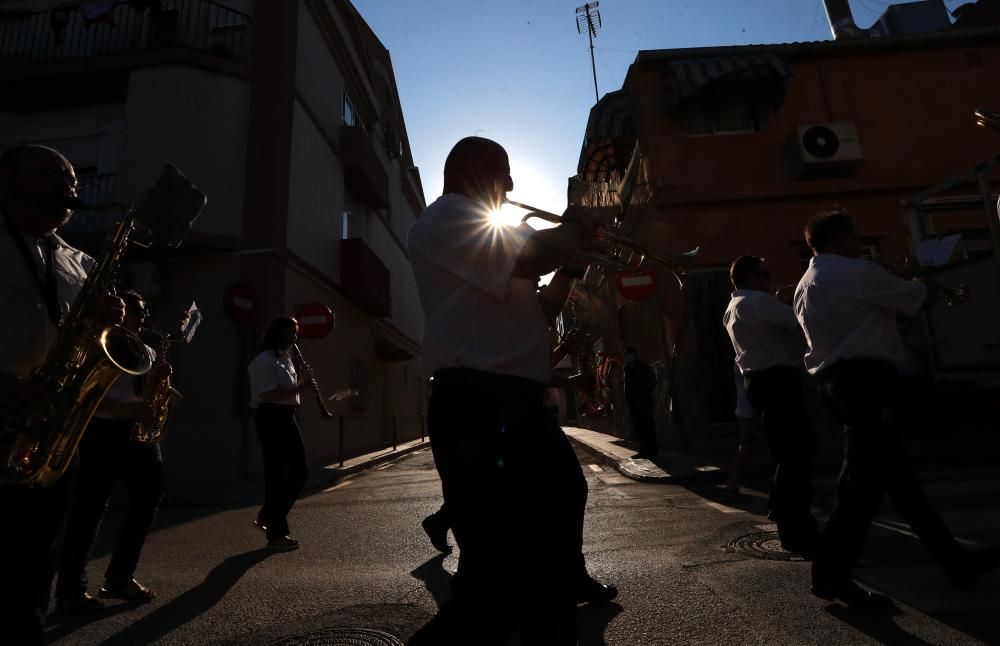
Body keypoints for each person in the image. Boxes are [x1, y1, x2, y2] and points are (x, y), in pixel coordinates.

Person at [406, 136, 611, 645]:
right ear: (474, 170)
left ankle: (559, 604)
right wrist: (575, 225)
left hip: (517, 405)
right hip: (478, 403)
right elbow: (535, 254)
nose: (514, 185)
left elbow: (541, 311)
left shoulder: (496, 240)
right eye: (505, 172)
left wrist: (571, 263)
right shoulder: (447, 219)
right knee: (494, 584)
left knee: (555, 528)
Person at [795, 210, 998, 610]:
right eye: (855, 237)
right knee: (858, 491)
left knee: (901, 486)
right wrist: (922, 276)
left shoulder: (808, 281)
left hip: (839, 385)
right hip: (865, 385)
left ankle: (957, 563)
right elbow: (917, 300)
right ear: (838, 239)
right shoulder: (854, 272)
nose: (860, 245)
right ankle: (830, 575)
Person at [0, 144, 125, 645]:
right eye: (51, 176)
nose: (69, 188)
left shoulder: (80, 261)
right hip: (6, 408)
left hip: (51, 429)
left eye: (72, 178)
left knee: (34, 564)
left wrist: (105, 324)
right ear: (9, 181)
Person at [54, 290, 167, 613]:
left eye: (144, 309)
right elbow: (82, 393)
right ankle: (70, 591)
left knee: (149, 496)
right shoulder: (94, 343)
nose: (141, 314)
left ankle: (119, 577)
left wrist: (159, 382)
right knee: (89, 507)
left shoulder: (144, 349)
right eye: (135, 309)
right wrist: (125, 411)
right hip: (98, 430)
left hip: (134, 433)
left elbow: (143, 393)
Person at [723, 255, 818, 555]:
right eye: (765, 273)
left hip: (760, 383)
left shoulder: (733, 307)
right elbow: (801, 322)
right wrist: (790, 301)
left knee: (786, 452)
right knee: (797, 453)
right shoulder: (759, 303)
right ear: (753, 277)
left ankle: (782, 511)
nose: (768, 279)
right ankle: (795, 526)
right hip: (779, 381)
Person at [247, 316, 313, 551]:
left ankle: (268, 516)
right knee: (279, 473)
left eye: (296, 333)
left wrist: (302, 382)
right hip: (270, 417)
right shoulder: (263, 360)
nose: (295, 338)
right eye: (292, 333)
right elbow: (267, 394)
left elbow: (289, 392)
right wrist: (301, 388)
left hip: (286, 417)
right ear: (280, 333)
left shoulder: (286, 359)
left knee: (298, 471)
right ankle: (275, 531)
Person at [724, 362, 763, 496]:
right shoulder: (746, 360)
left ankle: (731, 486)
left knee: (745, 448)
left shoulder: (739, 360)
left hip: (743, 410)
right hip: (752, 411)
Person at [622, 346, 657, 459]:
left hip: (644, 402)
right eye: (627, 355)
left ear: (635, 355)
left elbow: (652, 381)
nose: (629, 357)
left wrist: (645, 394)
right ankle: (643, 450)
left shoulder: (643, 366)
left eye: (630, 355)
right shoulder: (626, 368)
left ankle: (653, 451)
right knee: (638, 427)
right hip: (633, 404)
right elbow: (627, 386)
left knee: (648, 426)